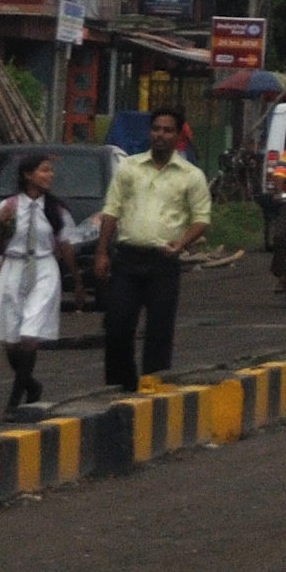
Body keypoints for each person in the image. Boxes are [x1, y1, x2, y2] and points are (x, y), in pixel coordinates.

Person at [95, 108, 211, 392]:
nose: (161, 135)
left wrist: (181, 244)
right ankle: (122, 385)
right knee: (117, 325)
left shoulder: (191, 175)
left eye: (168, 130)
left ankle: (153, 385)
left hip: (164, 261)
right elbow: (111, 210)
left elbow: (201, 218)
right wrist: (101, 253)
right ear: (150, 132)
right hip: (128, 258)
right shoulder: (129, 167)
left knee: (159, 328)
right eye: (156, 129)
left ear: (178, 135)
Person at [0, 151, 72, 414]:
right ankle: (31, 384)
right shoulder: (8, 206)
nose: (50, 176)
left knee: (29, 334)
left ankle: (14, 400)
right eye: (44, 170)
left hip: (43, 268)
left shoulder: (55, 209)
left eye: (50, 171)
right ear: (28, 175)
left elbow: (65, 244)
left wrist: (76, 281)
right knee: (12, 341)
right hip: (14, 266)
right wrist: (2, 224)